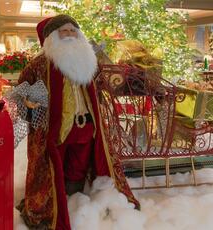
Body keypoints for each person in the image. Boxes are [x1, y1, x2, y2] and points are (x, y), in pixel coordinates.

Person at [16, 14, 140, 230]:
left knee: (79, 167)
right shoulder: (38, 65)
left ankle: (75, 202)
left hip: (86, 127)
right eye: (64, 31)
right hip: (57, 131)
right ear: (52, 37)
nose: (70, 35)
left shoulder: (88, 62)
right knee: (55, 167)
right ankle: (57, 203)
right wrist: (29, 102)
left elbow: (103, 87)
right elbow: (21, 95)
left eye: (73, 31)